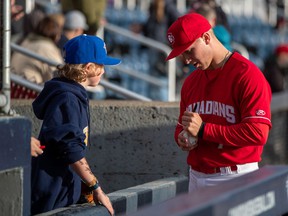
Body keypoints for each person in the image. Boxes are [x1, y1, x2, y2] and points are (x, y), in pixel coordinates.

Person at [165, 13, 272, 192]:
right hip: (196, 176)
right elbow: (181, 126)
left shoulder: (246, 74)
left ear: (206, 37)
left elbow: (258, 133)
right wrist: (183, 138)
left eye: (189, 51)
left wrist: (203, 129)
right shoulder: (191, 82)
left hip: (236, 176)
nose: (186, 60)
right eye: (181, 55)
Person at [30, 34, 120, 215]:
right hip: (52, 191)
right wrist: (95, 186)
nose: (103, 71)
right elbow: (70, 148)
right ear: (88, 68)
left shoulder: (70, 93)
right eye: (101, 65)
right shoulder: (67, 98)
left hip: (60, 188)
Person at [11, 15, 63, 84]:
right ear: (56, 34)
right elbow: (60, 76)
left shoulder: (26, 40)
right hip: (29, 89)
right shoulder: (47, 47)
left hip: (14, 84)